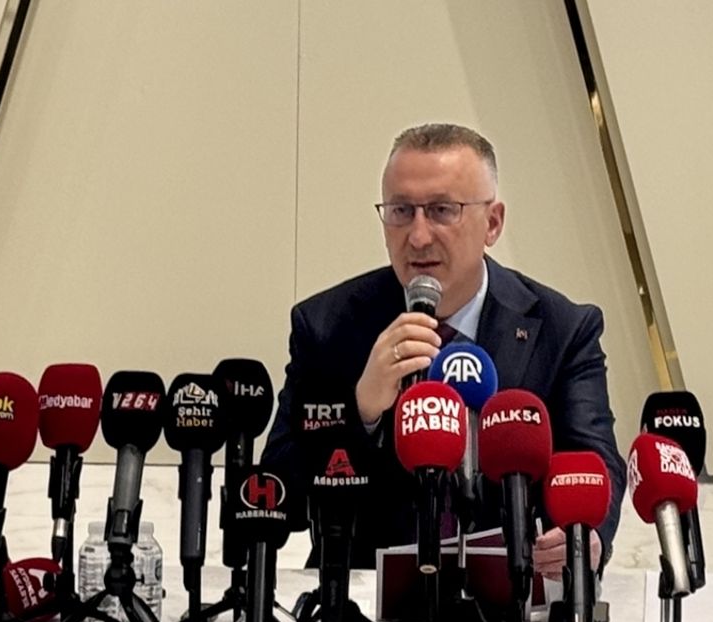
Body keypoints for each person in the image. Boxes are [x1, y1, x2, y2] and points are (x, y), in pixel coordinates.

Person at [260, 123, 626, 578]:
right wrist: (361, 411)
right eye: (400, 211)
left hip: (510, 589)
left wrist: (588, 537)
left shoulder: (563, 328)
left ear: (492, 223)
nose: (417, 236)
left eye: (441, 210)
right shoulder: (326, 325)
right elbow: (279, 494)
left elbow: (595, 461)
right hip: (360, 597)